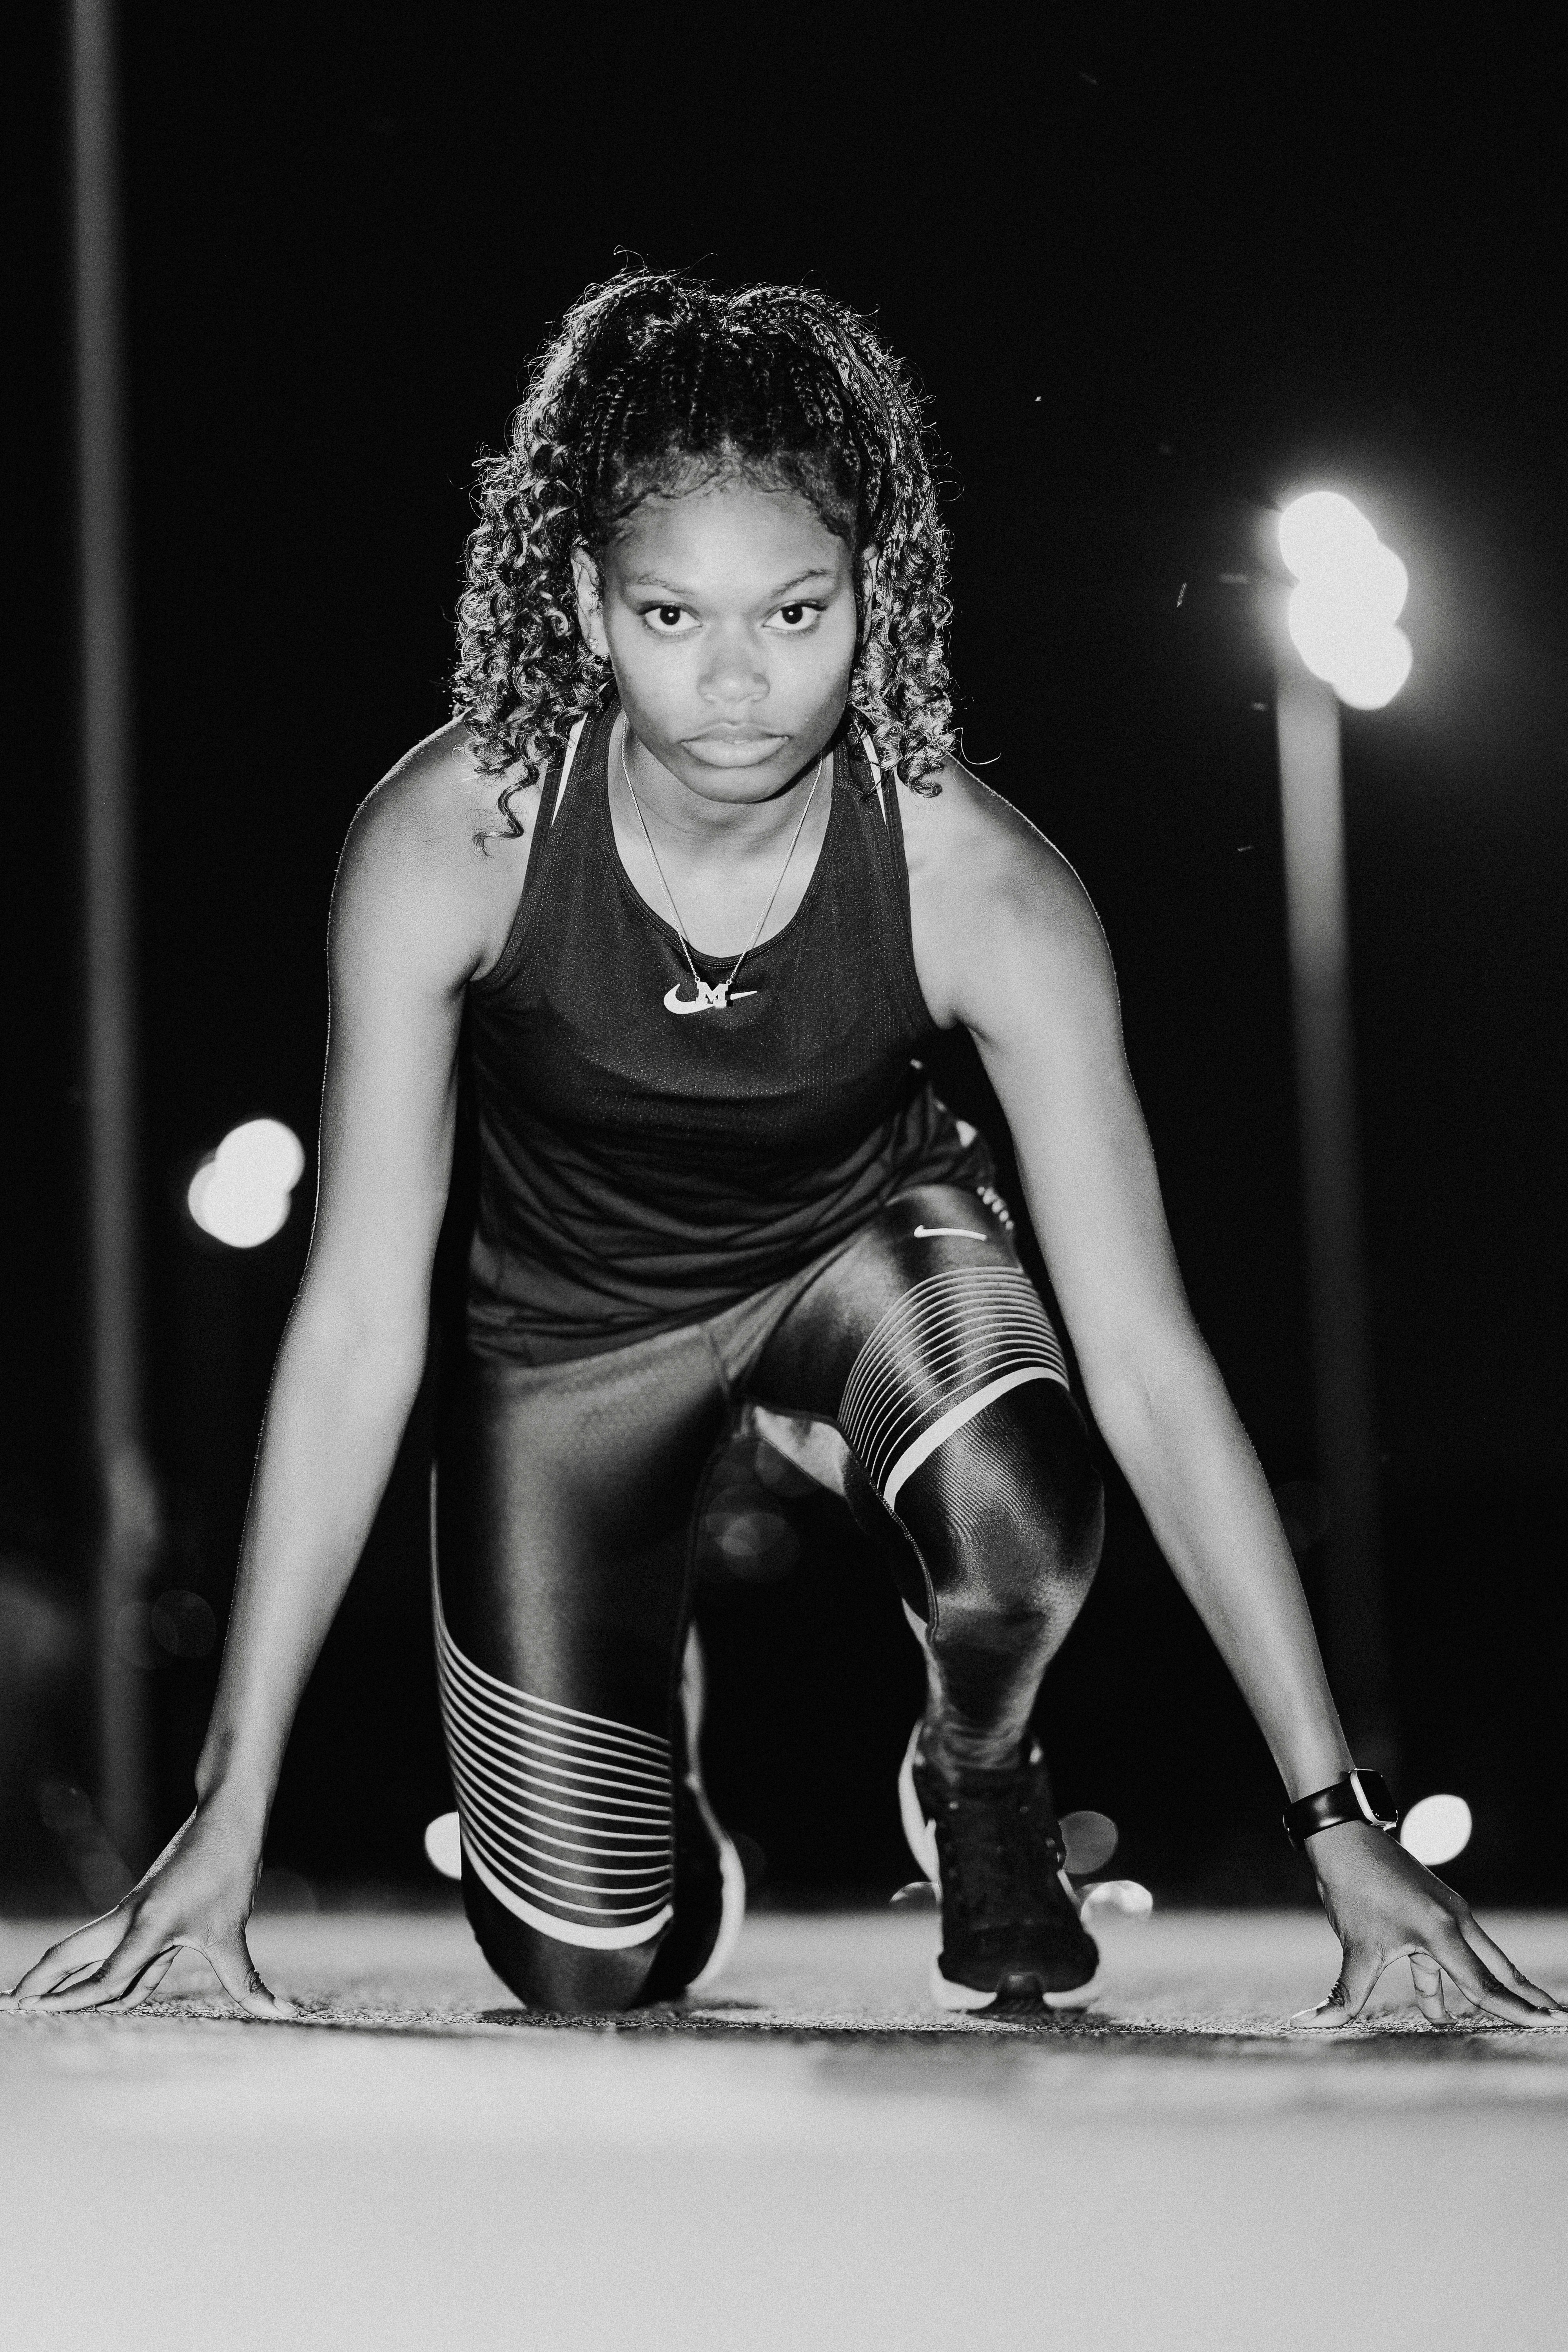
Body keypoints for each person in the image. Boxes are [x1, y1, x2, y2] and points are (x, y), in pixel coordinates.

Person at [5, 271, 1559, 2029]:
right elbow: (360, 1324)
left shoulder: (982, 883)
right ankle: (652, 1762)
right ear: (585, 605)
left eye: (793, 613)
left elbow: (1146, 1357)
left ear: (871, 596)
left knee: (1020, 1510)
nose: (735, 681)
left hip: (855, 1263)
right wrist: (226, 1818)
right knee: (592, 1968)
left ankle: (975, 1765)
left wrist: (1334, 1818)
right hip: (570, 1349)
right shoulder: (456, 840)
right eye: (672, 617)